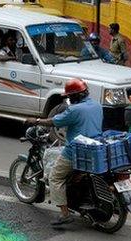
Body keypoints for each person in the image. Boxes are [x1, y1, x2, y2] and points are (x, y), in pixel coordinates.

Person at [25, 79, 103, 226]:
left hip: (75, 151)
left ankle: (65, 214)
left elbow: (53, 122)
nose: (68, 99)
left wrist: (35, 121)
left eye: (70, 96)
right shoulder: (97, 105)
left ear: (76, 96)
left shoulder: (74, 110)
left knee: (55, 177)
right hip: (95, 148)